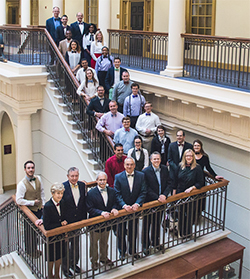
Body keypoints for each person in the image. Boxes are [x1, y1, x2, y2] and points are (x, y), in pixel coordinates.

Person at [114, 157, 147, 260]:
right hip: (122, 209)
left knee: (133, 231)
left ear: (134, 165)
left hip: (134, 209)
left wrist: (137, 203)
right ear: (124, 165)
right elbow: (117, 194)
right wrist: (124, 205)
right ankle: (122, 252)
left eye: (131, 164)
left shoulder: (141, 176)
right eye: (127, 164)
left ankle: (132, 251)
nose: (129, 166)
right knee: (121, 231)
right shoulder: (118, 177)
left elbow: (143, 191)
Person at [86, 172, 119, 270]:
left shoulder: (111, 191)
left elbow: (115, 203)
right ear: (96, 181)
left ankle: (104, 258)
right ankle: (94, 261)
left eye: (104, 180)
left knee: (105, 242)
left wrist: (113, 208)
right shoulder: (90, 193)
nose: (102, 182)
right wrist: (101, 213)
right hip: (95, 223)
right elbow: (89, 208)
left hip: (107, 222)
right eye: (100, 180)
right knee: (94, 243)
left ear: (106, 180)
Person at [142, 152, 173, 255]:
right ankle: (145, 246)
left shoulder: (164, 169)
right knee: (147, 225)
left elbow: (169, 183)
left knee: (157, 223)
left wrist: (164, 194)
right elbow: (146, 188)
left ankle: (155, 242)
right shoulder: (146, 172)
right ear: (151, 160)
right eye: (154, 159)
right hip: (150, 202)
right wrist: (157, 197)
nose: (156, 161)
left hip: (161, 202)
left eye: (158, 159)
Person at [16, 160, 46, 258]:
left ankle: (35, 249)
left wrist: (43, 204)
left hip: (39, 209)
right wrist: (32, 202)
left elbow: (42, 192)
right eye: (28, 168)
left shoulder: (38, 178)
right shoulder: (22, 184)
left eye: (32, 168)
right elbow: (19, 200)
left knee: (36, 231)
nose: (31, 170)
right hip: (29, 211)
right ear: (25, 170)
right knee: (29, 233)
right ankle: (30, 252)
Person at [61, 167, 87, 278]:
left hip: (78, 221)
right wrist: (62, 220)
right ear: (68, 176)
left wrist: (84, 219)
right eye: (72, 176)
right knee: (66, 246)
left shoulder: (82, 185)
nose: (74, 178)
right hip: (67, 222)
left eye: (76, 176)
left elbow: (83, 203)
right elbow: (60, 205)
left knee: (76, 244)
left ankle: (74, 264)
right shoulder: (63, 187)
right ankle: (65, 268)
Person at [173, 149, 204, 237]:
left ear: (193, 157)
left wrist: (192, 188)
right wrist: (174, 195)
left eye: (190, 156)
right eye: (187, 156)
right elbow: (175, 180)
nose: (189, 157)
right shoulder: (180, 166)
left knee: (189, 214)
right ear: (184, 157)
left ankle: (188, 233)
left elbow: (200, 182)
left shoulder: (197, 168)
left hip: (191, 195)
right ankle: (181, 233)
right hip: (180, 193)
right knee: (181, 214)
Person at [43, 183, 67, 279]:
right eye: (58, 193)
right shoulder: (47, 206)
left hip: (60, 235)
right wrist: (60, 224)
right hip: (51, 237)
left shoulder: (63, 202)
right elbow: (47, 225)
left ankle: (57, 275)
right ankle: (49, 275)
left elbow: (64, 216)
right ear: (53, 194)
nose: (60, 195)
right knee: (51, 258)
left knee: (59, 256)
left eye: (61, 193)